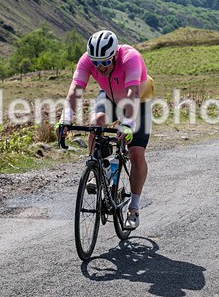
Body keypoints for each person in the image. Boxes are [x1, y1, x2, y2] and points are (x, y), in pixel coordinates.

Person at [57, 30, 153, 230]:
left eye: (104, 63)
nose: (100, 67)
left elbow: (132, 93)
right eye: (96, 63)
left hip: (138, 100)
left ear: (114, 56)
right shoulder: (87, 61)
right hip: (109, 95)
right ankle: (99, 170)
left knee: (136, 153)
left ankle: (134, 208)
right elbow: (74, 91)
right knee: (96, 122)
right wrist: (66, 119)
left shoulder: (130, 57)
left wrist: (127, 123)